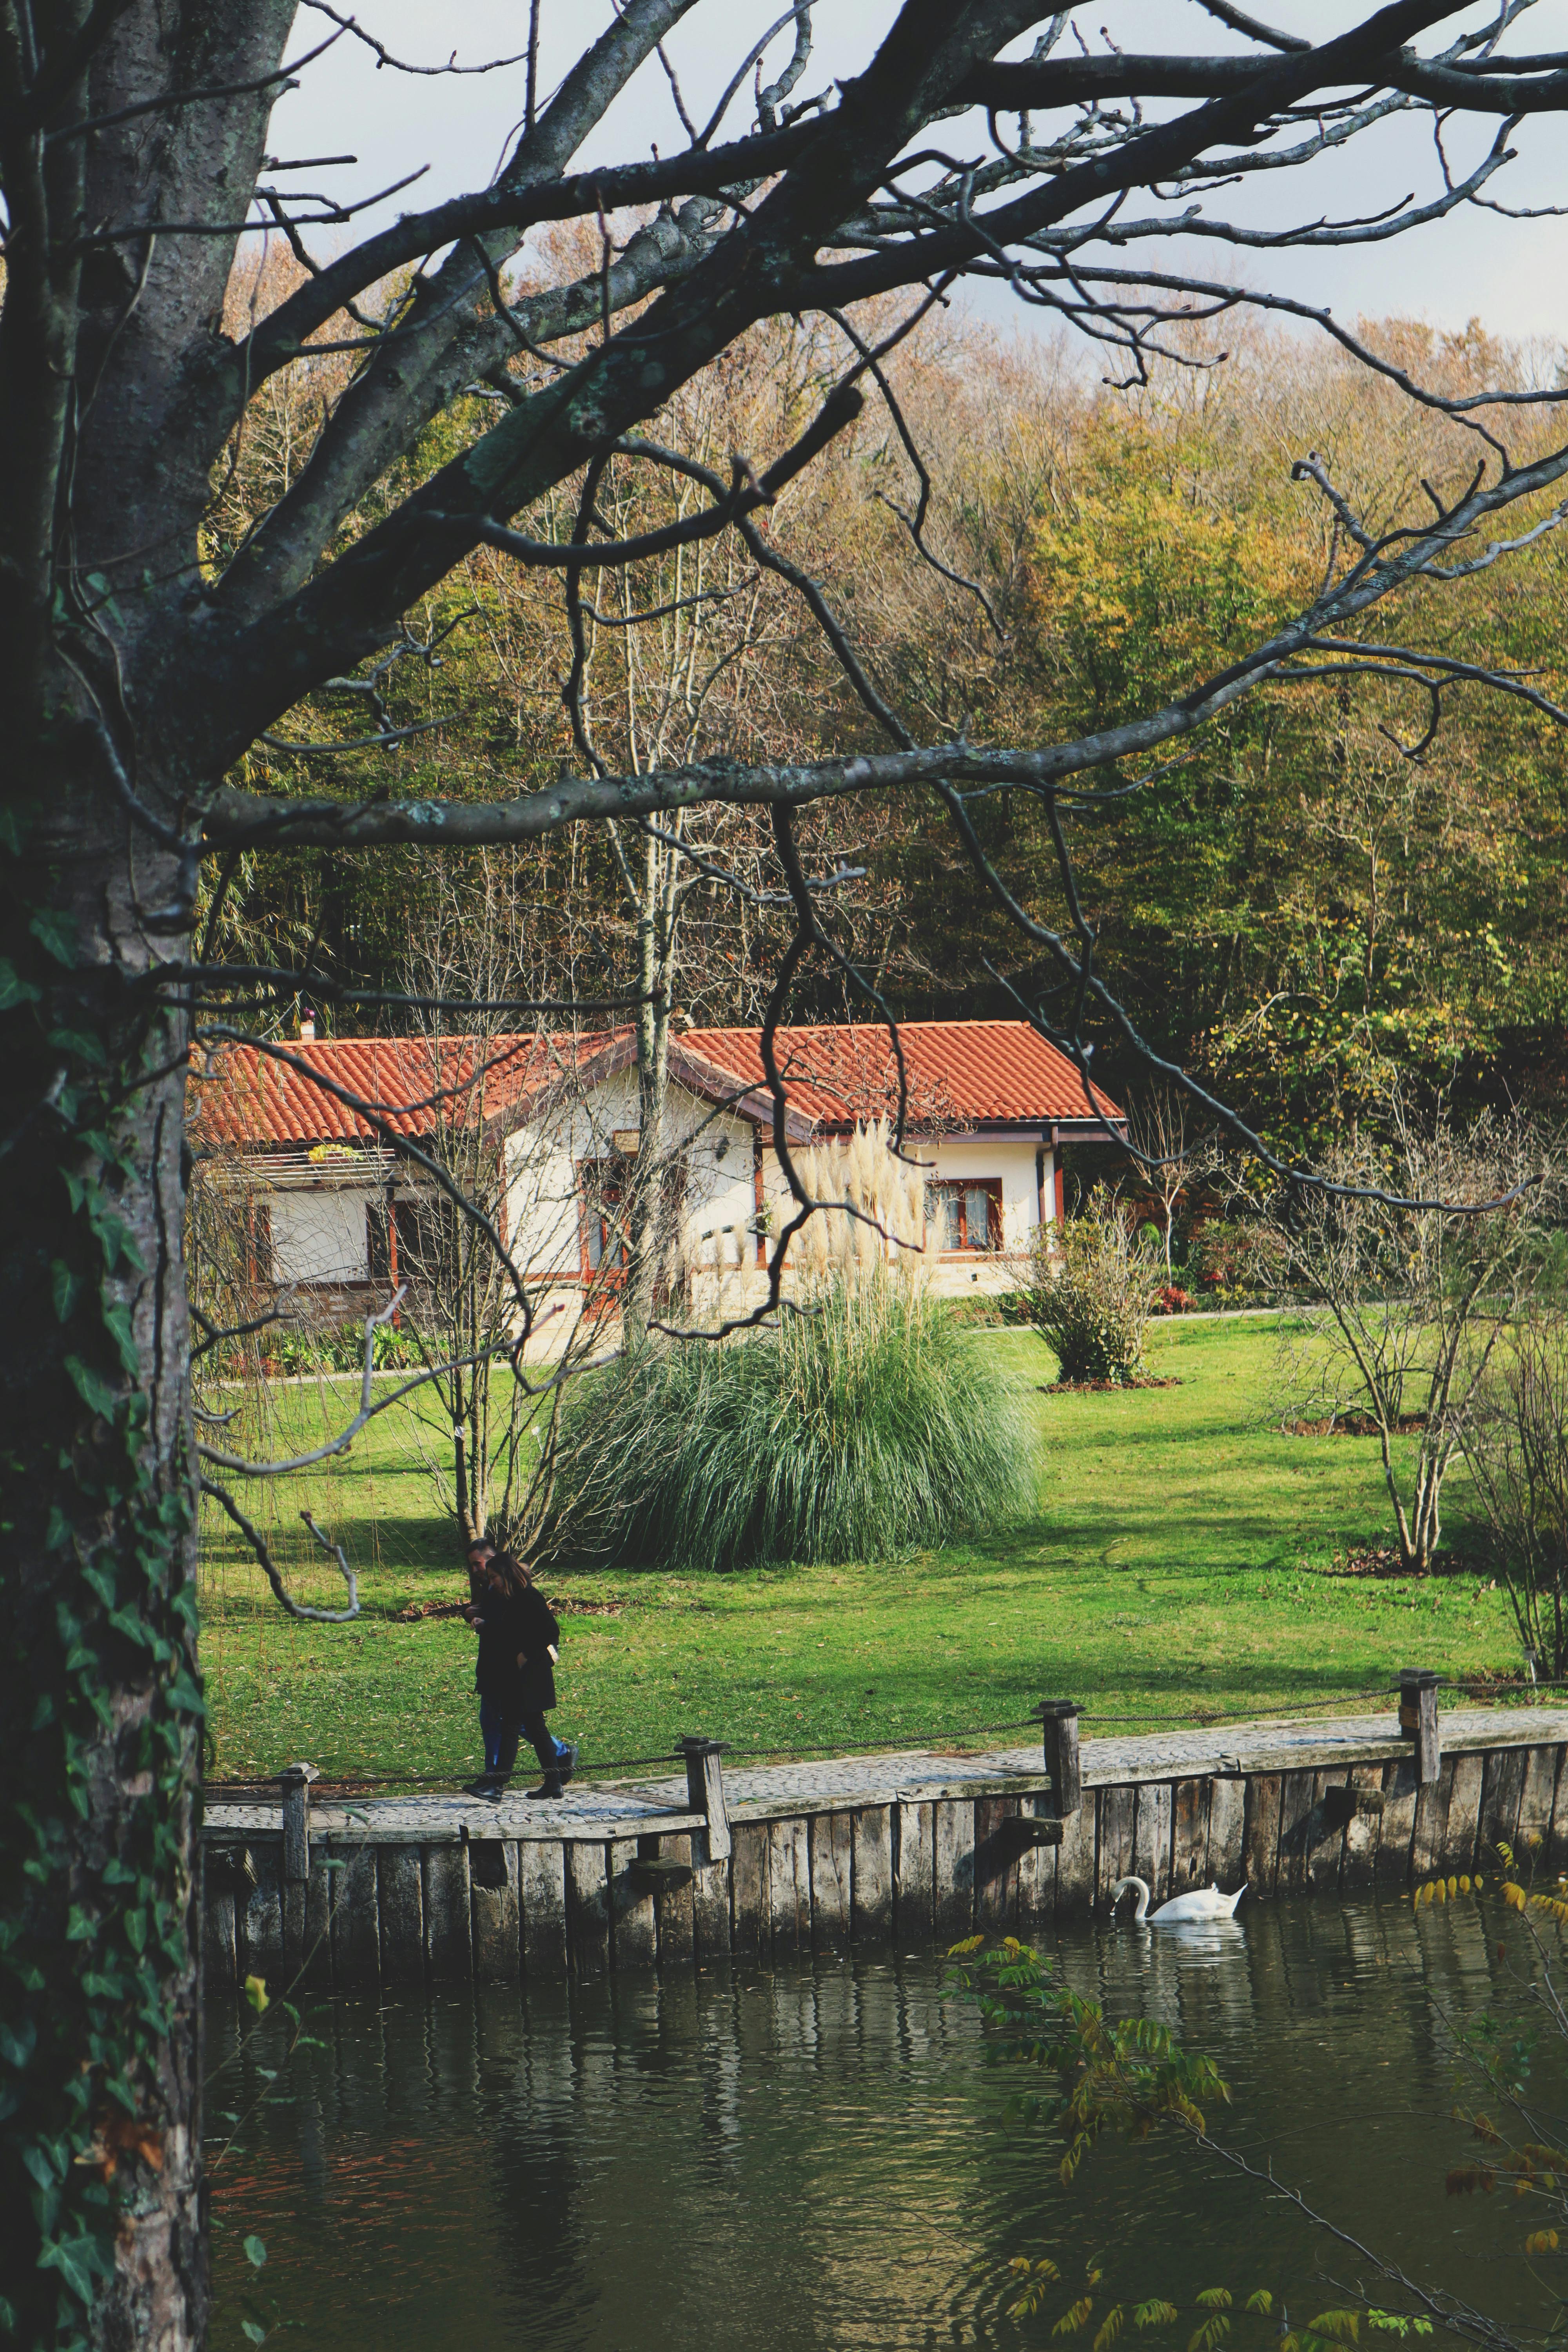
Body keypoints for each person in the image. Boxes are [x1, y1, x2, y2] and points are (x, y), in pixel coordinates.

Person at [463, 1538, 577, 1800]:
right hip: (520, 1674)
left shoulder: (528, 1596)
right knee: (531, 1727)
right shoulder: (511, 1598)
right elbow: (510, 1630)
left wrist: (527, 1654)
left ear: (506, 1574)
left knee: (514, 1727)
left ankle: (498, 1785)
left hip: (530, 1673)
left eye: (494, 1577)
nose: (492, 1583)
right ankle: (552, 1782)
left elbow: (551, 1631)